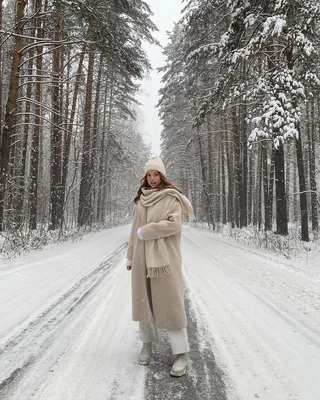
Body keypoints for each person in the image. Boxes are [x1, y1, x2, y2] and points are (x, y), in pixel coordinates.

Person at [126, 156, 194, 377]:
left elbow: (174, 225)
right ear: (145, 177)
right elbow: (134, 230)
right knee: (145, 302)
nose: (153, 179)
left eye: (156, 174)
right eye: (149, 174)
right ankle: (147, 344)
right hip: (141, 258)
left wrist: (147, 231)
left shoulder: (172, 198)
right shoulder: (141, 200)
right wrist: (130, 256)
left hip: (165, 259)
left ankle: (181, 353)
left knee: (171, 303)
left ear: (162, 176)